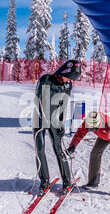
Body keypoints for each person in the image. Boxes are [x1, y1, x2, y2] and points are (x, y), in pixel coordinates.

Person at [33, 60, 81, 196]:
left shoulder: (67, 85)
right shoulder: (46, 79)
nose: (68, 80)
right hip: (40, 119)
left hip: (54, 119)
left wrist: (61, 124)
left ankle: (67, 181)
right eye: (68, 77)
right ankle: (44, 181)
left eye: (71, 79)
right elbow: (40, 100)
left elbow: (63, 105)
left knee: (59, 150)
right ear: (64, 71)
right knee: (40, 150)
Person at [66, 111, 110, 196]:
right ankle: (93, 182)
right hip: (103, 136)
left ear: (98, 123)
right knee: (95, 154)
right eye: (90, 128)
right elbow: (79, 133)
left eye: (93, 128)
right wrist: (73, 146)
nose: (91, 130)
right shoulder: (88, 122)